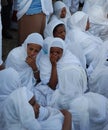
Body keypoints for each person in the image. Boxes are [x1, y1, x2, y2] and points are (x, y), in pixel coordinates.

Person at [0, 67, 72, 130]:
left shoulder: (18, 102)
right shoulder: (19, 103)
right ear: (22, 110)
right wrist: (68, 116)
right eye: (33, 104)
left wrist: (66, 114)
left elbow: (48, 112)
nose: (38, 106)